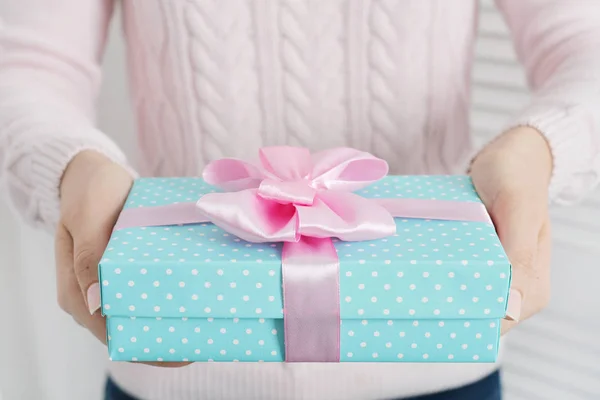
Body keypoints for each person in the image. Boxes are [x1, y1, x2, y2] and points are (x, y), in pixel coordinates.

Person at [1, 1, 599, 399]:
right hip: (175, 365)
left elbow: (585, 43)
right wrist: (72, 167)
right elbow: (27, 66)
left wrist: (538, 149)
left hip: (439, 360)